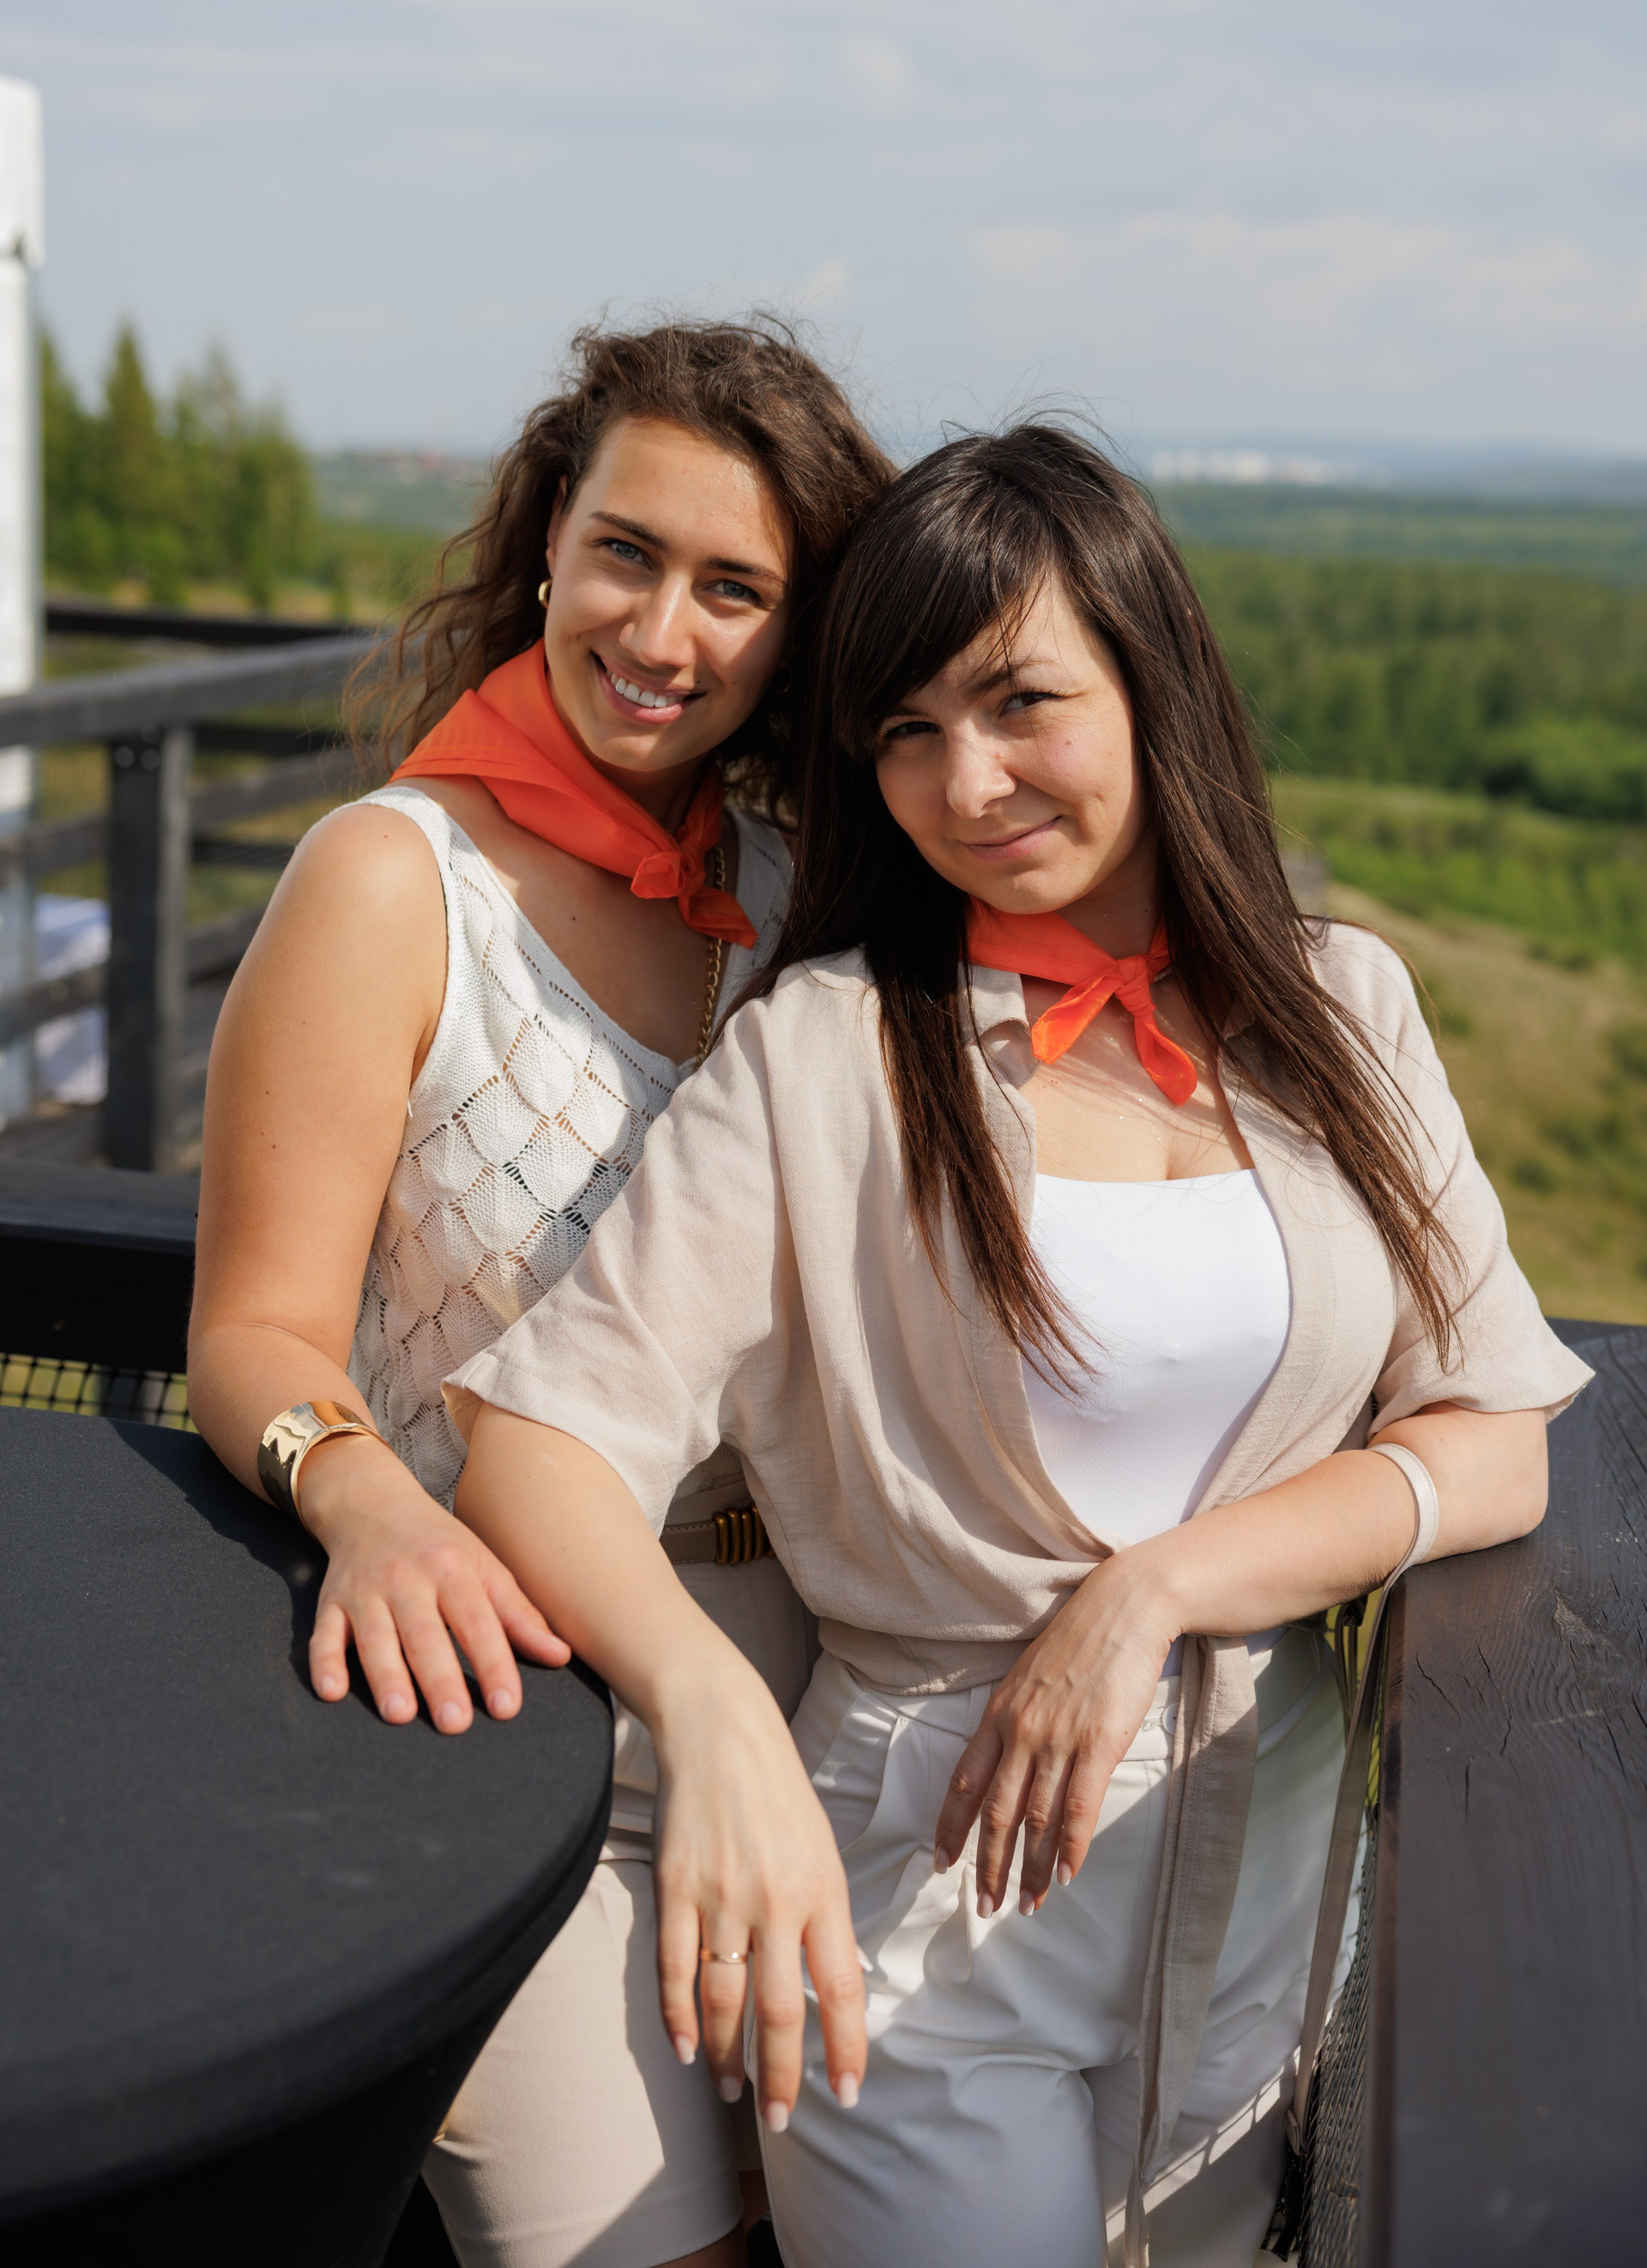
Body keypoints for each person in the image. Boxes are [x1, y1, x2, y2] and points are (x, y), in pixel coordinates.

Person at [426, 425, 1591, 2268]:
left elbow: (1494, 1434)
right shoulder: (827, 1057)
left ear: (1154, 671)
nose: (965, 784)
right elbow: (543, 1441)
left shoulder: (1340, 1006)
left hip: (1262, 1888)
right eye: (905, 731)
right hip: (922, 1917)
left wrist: (1155, 1592)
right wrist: (714, 1713)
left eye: (1020, 702)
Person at [188, 317, 895, 2268]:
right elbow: (248, 1330)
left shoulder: (794, 896)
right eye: (625, 555)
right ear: (549, 543)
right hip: (505, 1722)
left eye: (734, 587)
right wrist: (367, 1506)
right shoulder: (388, 881)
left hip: (813, 1724)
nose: (661, 631)